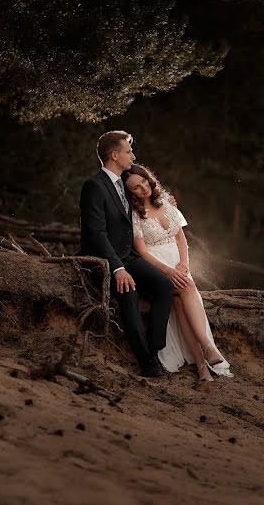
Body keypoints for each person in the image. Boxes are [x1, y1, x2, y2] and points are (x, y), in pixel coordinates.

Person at [121, 164, 232, 382]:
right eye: (136, 187)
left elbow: (180, 237)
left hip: (178, 262)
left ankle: (202, 366)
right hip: (157, 264)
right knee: (187, 287)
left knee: (181, 303)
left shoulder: (165, 201)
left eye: (144, 181)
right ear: (130, 192)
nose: (143, 188)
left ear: (149, 178)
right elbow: (142, 251)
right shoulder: (135, 213)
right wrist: (168, 271)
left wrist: (184, 264)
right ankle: (208, 348)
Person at [79, 131, 174, 378]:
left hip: (128, 256)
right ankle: (146, 362)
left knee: (164, 284)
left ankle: (155, 350)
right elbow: (97, 234)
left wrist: (165, 203)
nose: (133, 155)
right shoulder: (94, 187)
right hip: (102, 259)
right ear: (114, 155)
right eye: (128, 151)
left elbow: (146, 200)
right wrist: (118, 268)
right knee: (128, 292)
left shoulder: (125, 182)